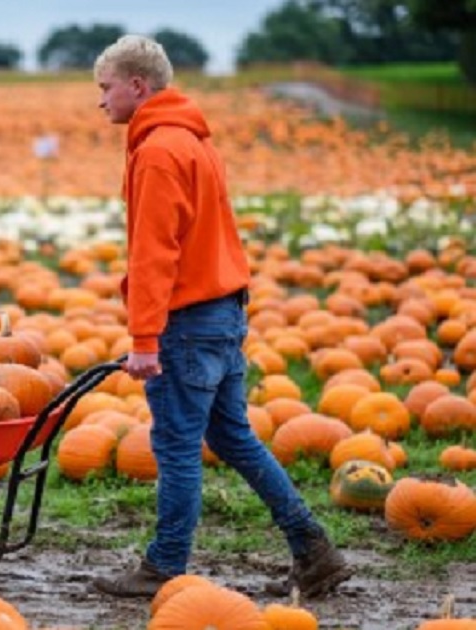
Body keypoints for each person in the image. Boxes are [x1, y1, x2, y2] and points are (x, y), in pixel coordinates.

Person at [88, 35, 351, 599]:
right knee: (235, 438)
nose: (100, 100)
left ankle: (163, 566)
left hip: (187, 321)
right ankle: (313, 547)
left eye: (105, 87)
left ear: (138, 85)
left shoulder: (159, 151)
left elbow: (155, 252)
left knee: (177, 448)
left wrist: (144, 339)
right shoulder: (193, 141)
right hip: (224, 312)